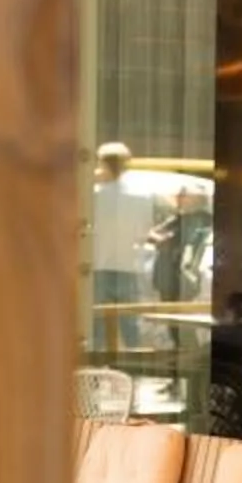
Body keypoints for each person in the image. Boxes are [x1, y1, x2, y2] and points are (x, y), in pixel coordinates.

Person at [87, 143, 152, 357]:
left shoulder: (93, 195)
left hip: (99, 263)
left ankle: (95, 365)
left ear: (103, 164)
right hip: (128, 264)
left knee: (96, 323)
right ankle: (134, 367)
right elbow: (143, 232)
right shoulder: (142, 197)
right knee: (130, 323)